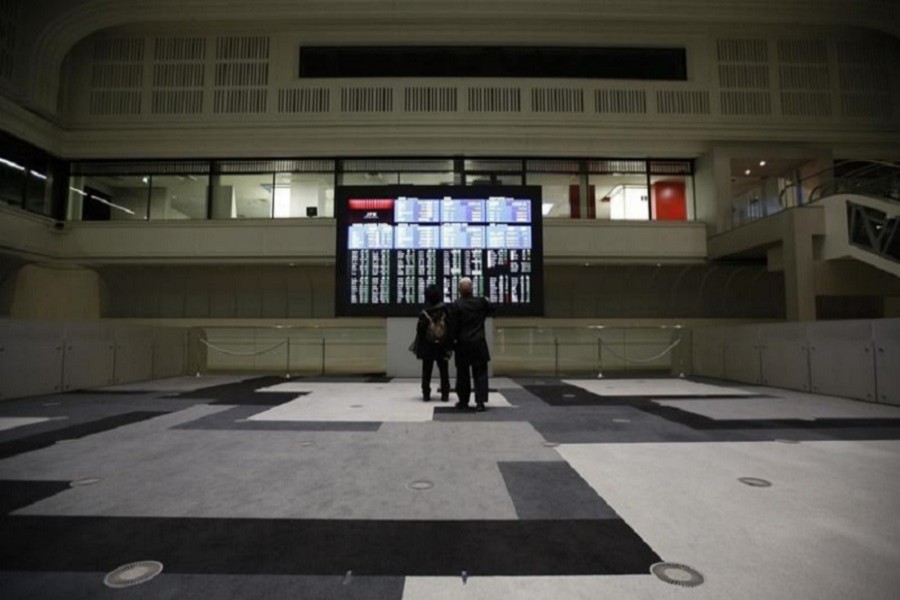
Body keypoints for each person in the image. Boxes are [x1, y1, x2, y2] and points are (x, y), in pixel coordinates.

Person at [448, 277, 495, 412]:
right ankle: (480, 402)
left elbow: (453, 327)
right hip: (478, 342)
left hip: (462, 344)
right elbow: (493, 309)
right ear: (472, 289)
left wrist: (450, 344)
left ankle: (463, 401)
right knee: (480, 373)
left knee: (463, 374)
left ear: (459, 291)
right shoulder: (481, 302)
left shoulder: (456, 304)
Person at [414, 284, 451, 402]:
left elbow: (420, 330)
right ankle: (445, 394)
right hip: (442, 344)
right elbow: (450, 327)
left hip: (428, 345)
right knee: (444, 370)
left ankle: (426, 393)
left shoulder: (424, 313)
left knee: (427, 370)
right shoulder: (445, 310)